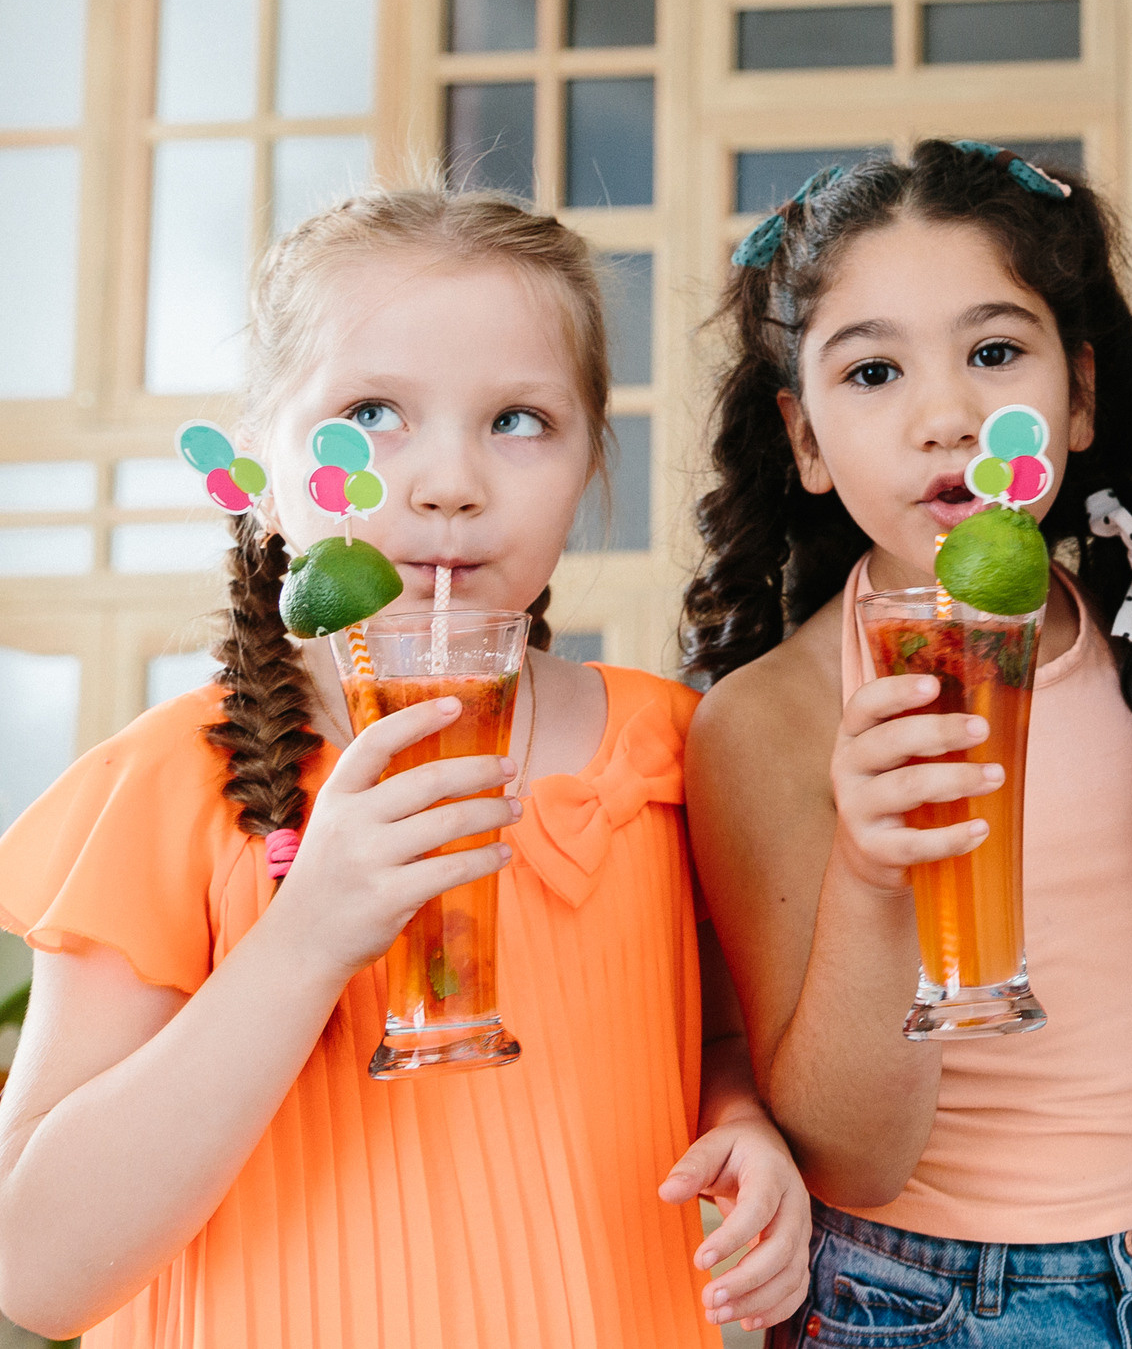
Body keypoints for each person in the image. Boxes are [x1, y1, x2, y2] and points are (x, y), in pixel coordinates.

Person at [0, 188, 810, 1346]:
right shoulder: (172, 786)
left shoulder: (669, 755)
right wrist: (311, 932)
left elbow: (718, 1039)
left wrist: (742, 1123)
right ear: (263, 471)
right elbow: (34, 1267)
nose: (448, 481)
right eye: (372, 413)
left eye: (520, 420)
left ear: (589, 463)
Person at [682, 143, 1132, 1347]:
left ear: (1076, 398)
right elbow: (850, 1159)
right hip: (932, 1300)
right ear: (804, 440)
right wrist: (876, 876)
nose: (945, 417)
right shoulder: (773, 719)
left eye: (991, 353)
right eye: (871, 371)